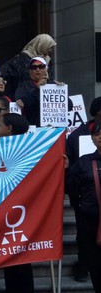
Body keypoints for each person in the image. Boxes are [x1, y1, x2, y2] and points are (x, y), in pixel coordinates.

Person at [0, 113, 36, 293]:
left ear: (8, 128)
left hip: (20, 210)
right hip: (2, 208)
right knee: (6, 252)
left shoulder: (24, 150)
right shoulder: (0, 147)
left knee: (20, 256)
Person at [65, 123, 101, 293]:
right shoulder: (84, 162)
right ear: (93, 139)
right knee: (96, 266)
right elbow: (71, 186)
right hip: (90, 221)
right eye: (97, 134)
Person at [66, 97, 101, 282]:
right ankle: (84, 265)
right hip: (85, 198)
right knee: (85, 235)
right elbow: (70, 166)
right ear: (95, 114)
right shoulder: (77, 136)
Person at [14, 56, 69, 127]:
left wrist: (61, 91)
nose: (37, 69)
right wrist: (38, 89)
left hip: (55, 129)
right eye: (33, 67)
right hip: (35, 129)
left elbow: (69, 106)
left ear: (46, 69)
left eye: (41, 66)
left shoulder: (54, 85)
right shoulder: (23, 87)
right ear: (30, 71)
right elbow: (24, 104)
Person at [0, 34, 56, 99]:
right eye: (49, 47)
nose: (50, 50)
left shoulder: (47, 60)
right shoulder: (21, 59)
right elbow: (4, 72)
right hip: (24, 96)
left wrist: (54, 83)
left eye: (41, 66)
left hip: (44, 97)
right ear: (42, 45)